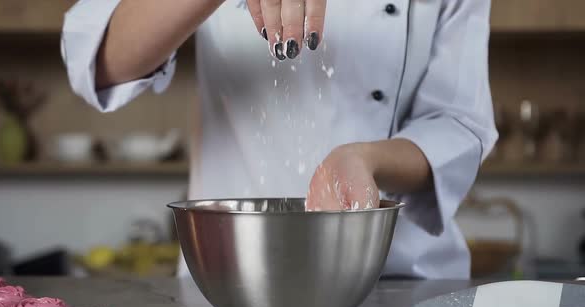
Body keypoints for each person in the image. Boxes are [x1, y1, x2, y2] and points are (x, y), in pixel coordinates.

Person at [62, 0, 497, 279]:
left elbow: (458, 123)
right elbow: (100, 60)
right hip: (233, 279)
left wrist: (367, 160)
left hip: (403, 281)